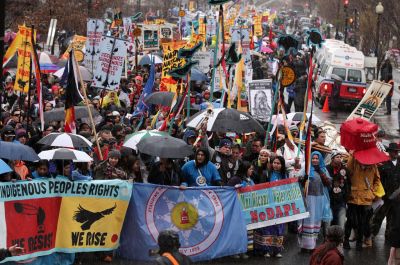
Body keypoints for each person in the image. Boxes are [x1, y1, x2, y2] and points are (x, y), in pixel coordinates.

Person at [343, 152, 384, 251]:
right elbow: (348, 170)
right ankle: (346, 241)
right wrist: (352, 155)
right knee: (350, 220)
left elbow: (377, 179)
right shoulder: (354, 163)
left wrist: (372, 191)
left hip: (366, 199)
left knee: (362, 222)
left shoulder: (373, 166)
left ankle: (359, 243)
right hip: (353, 197)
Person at [298, 151, 332, 252]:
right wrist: (302, 179)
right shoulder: (306, 169)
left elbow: (329, 183)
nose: (315, 160)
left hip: (320, 199)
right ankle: (304, 246)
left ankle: (313, 245)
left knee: (316, 221)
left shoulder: (323, 169)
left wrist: (321, 173)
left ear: (320, 159)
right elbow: (297, 179)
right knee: (307, 221)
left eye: (317, 158)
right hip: (308, 199)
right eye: (313, 158)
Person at [254, 156, 287, 258]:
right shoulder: (266, 174)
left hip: (280, 205)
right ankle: (266, 250)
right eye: (275, 163)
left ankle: (277, 250)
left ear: (282, 165)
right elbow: (261, 188)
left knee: (279, 227)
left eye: (278, 163)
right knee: (267, 226)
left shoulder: (284, 175)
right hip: (268, 204)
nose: (276, 165)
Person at [373, 143, 400, 239]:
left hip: (397, 197)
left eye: (397, 151)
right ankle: (372, 236)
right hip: (384, 196)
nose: (396, 153)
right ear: (389, 152)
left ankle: (389, 237)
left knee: (393, 219)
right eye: (394, 151)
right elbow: (377, 180)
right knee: (378, 218)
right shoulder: (383, 163)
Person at [326, 151, 350, 229]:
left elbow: (348, 184)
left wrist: (346, 197)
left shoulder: (345, 170)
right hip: (329, 200)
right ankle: (327, 239)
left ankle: (340, 240)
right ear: (332, 158)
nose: (339, 158)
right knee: (328, 223)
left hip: (341, 201)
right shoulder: (326, 169)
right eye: (337, 157)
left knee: (341, 223)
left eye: (340, 157)